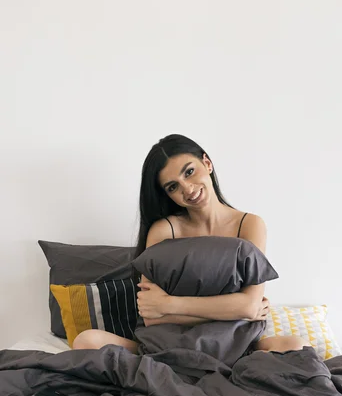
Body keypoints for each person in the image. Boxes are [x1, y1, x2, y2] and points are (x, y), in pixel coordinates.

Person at [73, 134, 307, 354]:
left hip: (235, 346)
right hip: (166, 346)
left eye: (189, 172)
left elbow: (248, 305)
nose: (187, 188)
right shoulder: (165, 230)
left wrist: (169, 305)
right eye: (173, 186)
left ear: (207, 163)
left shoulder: (250, 225)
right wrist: (233, 309)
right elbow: (152, 316)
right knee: (87, 340)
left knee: (298, 346)